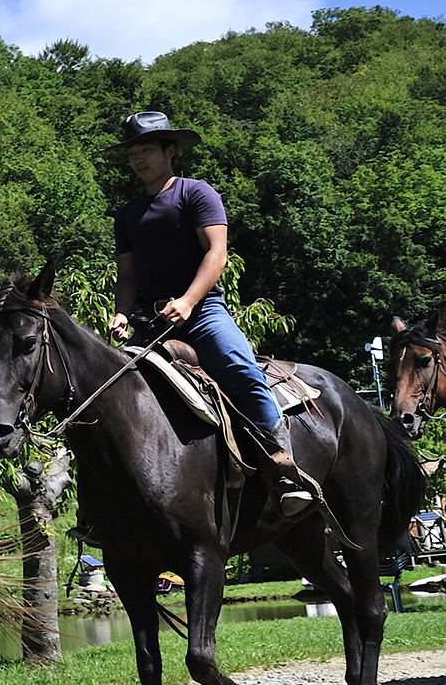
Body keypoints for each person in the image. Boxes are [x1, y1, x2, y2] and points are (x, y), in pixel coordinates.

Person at [105, 111, 317, 517]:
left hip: (202, 312)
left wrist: (186, 301)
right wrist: (121, 313)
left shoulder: (196, 193)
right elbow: (128, 275)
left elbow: (216, 255)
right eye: (132, 152)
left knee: (239, 367)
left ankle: (284, 468)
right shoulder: (128, 214)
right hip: (151, 324)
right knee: (111, 389)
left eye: (146, 149)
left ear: (170, 150)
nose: (138, 159)